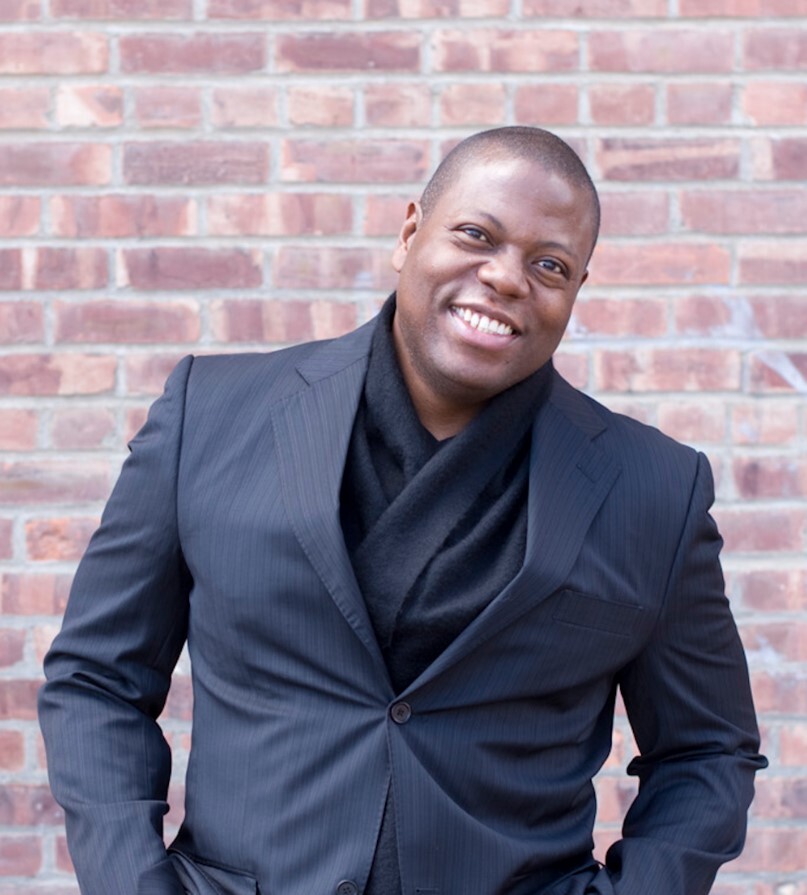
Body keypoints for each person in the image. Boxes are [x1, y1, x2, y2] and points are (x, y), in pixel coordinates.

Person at [39, 126, 766, 895]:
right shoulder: (209, 416)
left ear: (576, 289)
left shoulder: (651, 486)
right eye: (476, 235)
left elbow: (705, 748)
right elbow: (96, 679)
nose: (506, 277)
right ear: (410, 233)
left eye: (548, 264)